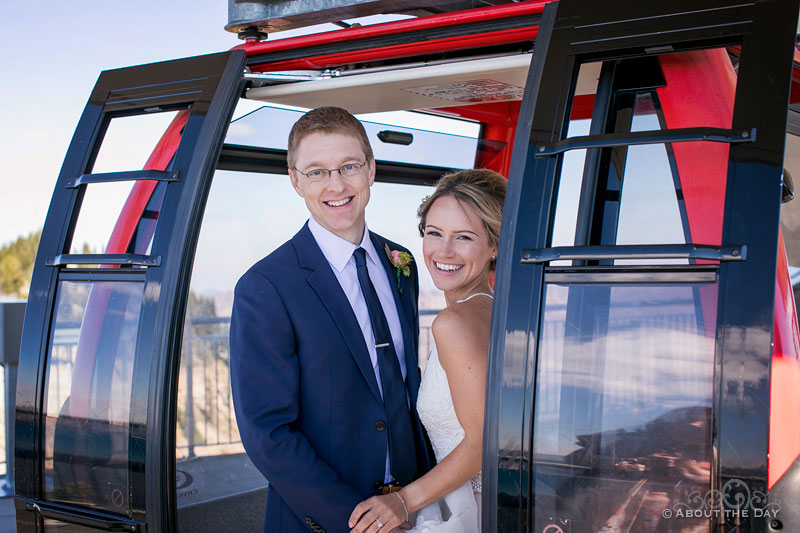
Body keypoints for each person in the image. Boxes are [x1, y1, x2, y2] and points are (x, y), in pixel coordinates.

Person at [230, 106, 433, 533]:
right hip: (329, 522)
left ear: (371, 169)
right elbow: (268, 432)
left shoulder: (403, 263)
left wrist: (418, 496)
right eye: (317, 172)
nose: (336, 184)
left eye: (348, 166)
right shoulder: (265, 286)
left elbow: (402, 382)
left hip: (416, 506)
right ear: (295, 180)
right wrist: (359, 521)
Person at [349, 169, 506, 533]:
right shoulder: (494, 309)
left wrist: (402, 501)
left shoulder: (453, 323)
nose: (443, 251)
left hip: (468, 511)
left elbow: (483, 441)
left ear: (494, 245)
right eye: (434, 233)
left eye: (463, 237)